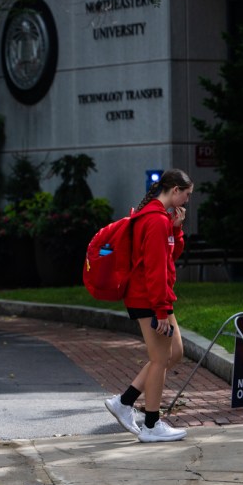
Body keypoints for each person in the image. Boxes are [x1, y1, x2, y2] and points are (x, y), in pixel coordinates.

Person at [104, 169, 192, 443]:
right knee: (160, 360)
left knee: (174, 353)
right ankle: (151, 425)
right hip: (150, 299)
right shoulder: (154, 221)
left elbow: (169, 257)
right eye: (186, 195)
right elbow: (155, 270)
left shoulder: (161, 220)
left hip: (154, 297)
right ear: (174, 190)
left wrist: (177, 230)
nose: (187, 201)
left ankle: (125, 402)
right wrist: (161, 310)